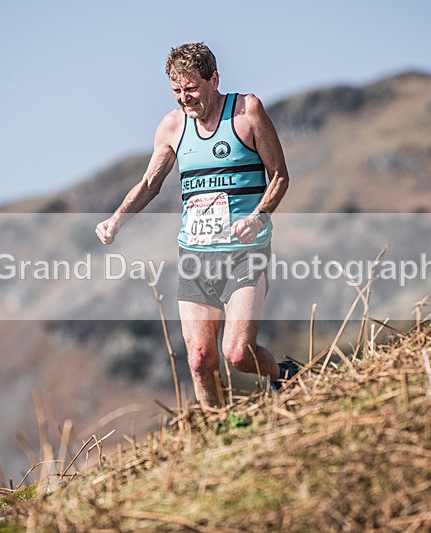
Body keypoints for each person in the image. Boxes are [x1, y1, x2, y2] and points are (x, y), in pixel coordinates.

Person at [95, 42, 297, 408]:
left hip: (245, 253)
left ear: (214, 79)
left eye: (192, 88)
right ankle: (220, 433)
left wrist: (259, 216)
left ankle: (283, 375)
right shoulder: (172, 126)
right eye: (176, 91)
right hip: (196, 256)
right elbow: (149, 184)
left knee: (238, 353)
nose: (184, 99)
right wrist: (117, 219)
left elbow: (280, 175)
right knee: (200, 361)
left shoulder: (246, 111)